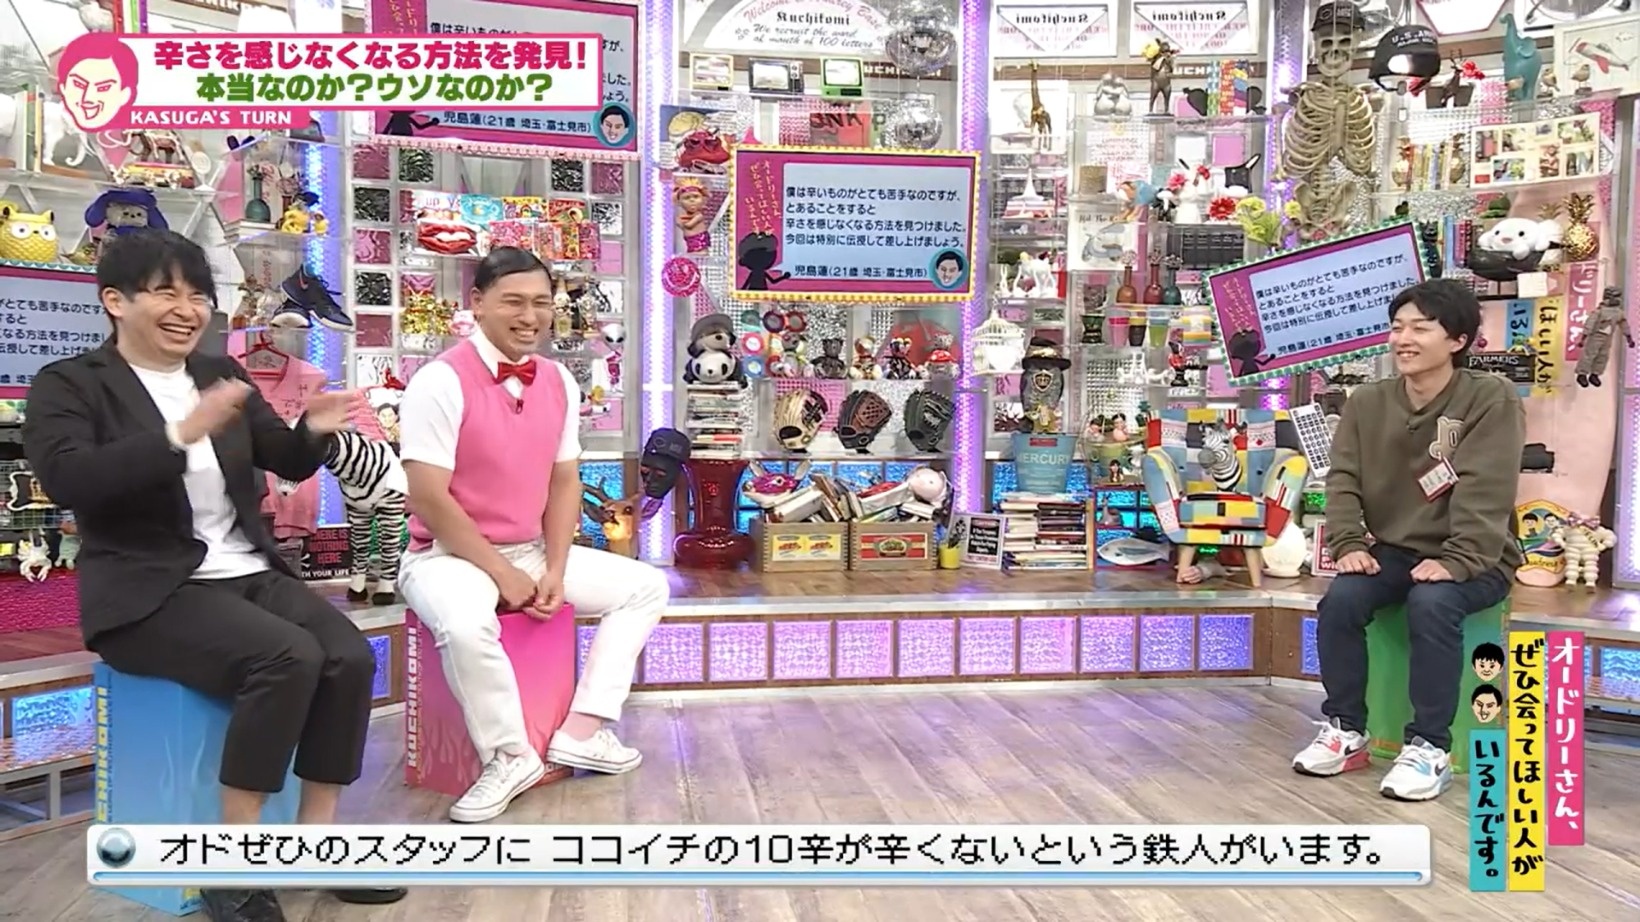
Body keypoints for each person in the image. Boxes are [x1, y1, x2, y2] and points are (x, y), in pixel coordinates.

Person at [21, 230, 405, 920]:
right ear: (115, 300)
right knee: (287, 657)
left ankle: (319, 843)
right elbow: (71, 479)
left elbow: (285, 459)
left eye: (198, 294)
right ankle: (233, 862)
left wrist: (315, 429)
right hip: (147, 591)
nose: (187, 309)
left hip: (246, 571)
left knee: (348, 656)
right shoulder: (71, 383)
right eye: (166, 292)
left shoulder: (218, 376)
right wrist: (179, 434)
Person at [397, 247, 669, 824]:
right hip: (446, 555)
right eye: (513, 302)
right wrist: (502, 573)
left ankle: (584, 729)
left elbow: (564, 479)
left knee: (645, 588)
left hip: (529, 549)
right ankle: (509, 755)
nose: (530, 317)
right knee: (465, 623)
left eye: (542, 303)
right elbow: (428, 497)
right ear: (477, 303)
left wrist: (554, 567)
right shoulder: (439, 381)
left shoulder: (558, 380)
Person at [1292, 279, 1521, 802]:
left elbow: (1486, 485)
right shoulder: (1368, 402)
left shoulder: (1490, 397)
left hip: (1482, 555)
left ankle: (1429, 746)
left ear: (1458, 340)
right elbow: (1343, 478)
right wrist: (1348, 543)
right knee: (1341, 601)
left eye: (1421, 328)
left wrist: (1459, 560)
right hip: (1398, 549)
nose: (1404, 339)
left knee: (1433, 603)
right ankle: (1346, 729)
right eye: (1397, 328)